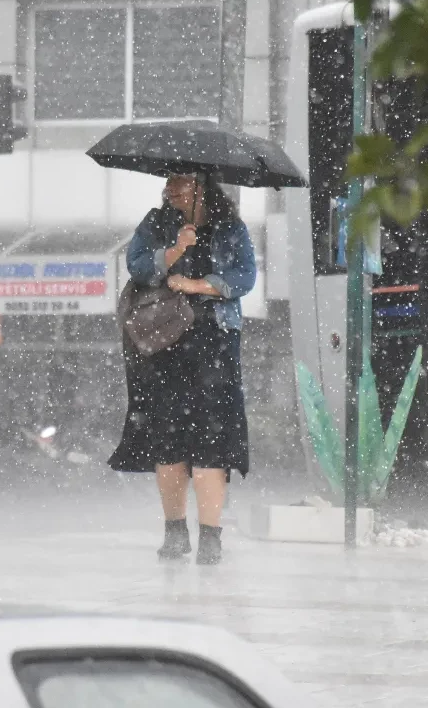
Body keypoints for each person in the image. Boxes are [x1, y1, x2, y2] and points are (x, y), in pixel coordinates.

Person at [109, 173, 257, 565]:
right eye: (170, 183)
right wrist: (175, 250)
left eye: (183, 184)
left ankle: (211, 536)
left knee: (213, 440)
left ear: (203, 187)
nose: (172, 190)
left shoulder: (230, 228)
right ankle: (175, 531)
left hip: (217, 340)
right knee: (167, 437)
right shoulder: (156, 223)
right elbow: (138, 266)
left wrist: (199, 285)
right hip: (165, 341)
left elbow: (245, 276)